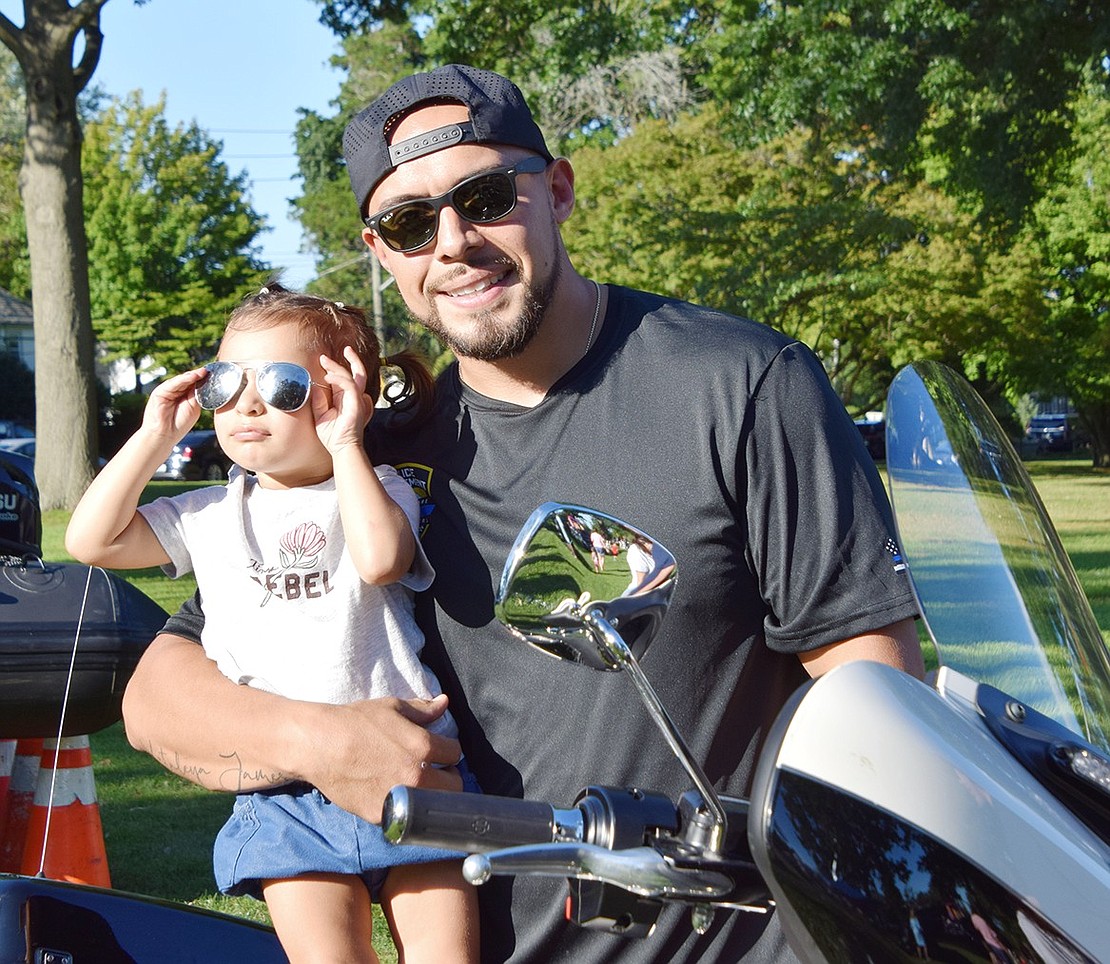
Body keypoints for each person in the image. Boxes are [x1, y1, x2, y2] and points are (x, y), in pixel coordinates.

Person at [120, 64, 924, 963]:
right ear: (382, 252)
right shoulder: (371, 454)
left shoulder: (738, 384)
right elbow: (157, 698)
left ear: (559, 190)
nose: (454, 243)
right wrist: (318, 742)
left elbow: (873, 691)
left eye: (487, 195)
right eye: (410, 223)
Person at [66, 285, 478, 964]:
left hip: (410, 760)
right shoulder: (206, 513)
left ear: (343, 397)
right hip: (283, 791)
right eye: (226, 382)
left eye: (284, 385)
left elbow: (379, 561)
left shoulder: (378, 489)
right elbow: (94, 542)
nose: (248, 403)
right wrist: (151, 438)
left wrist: (346, 444)